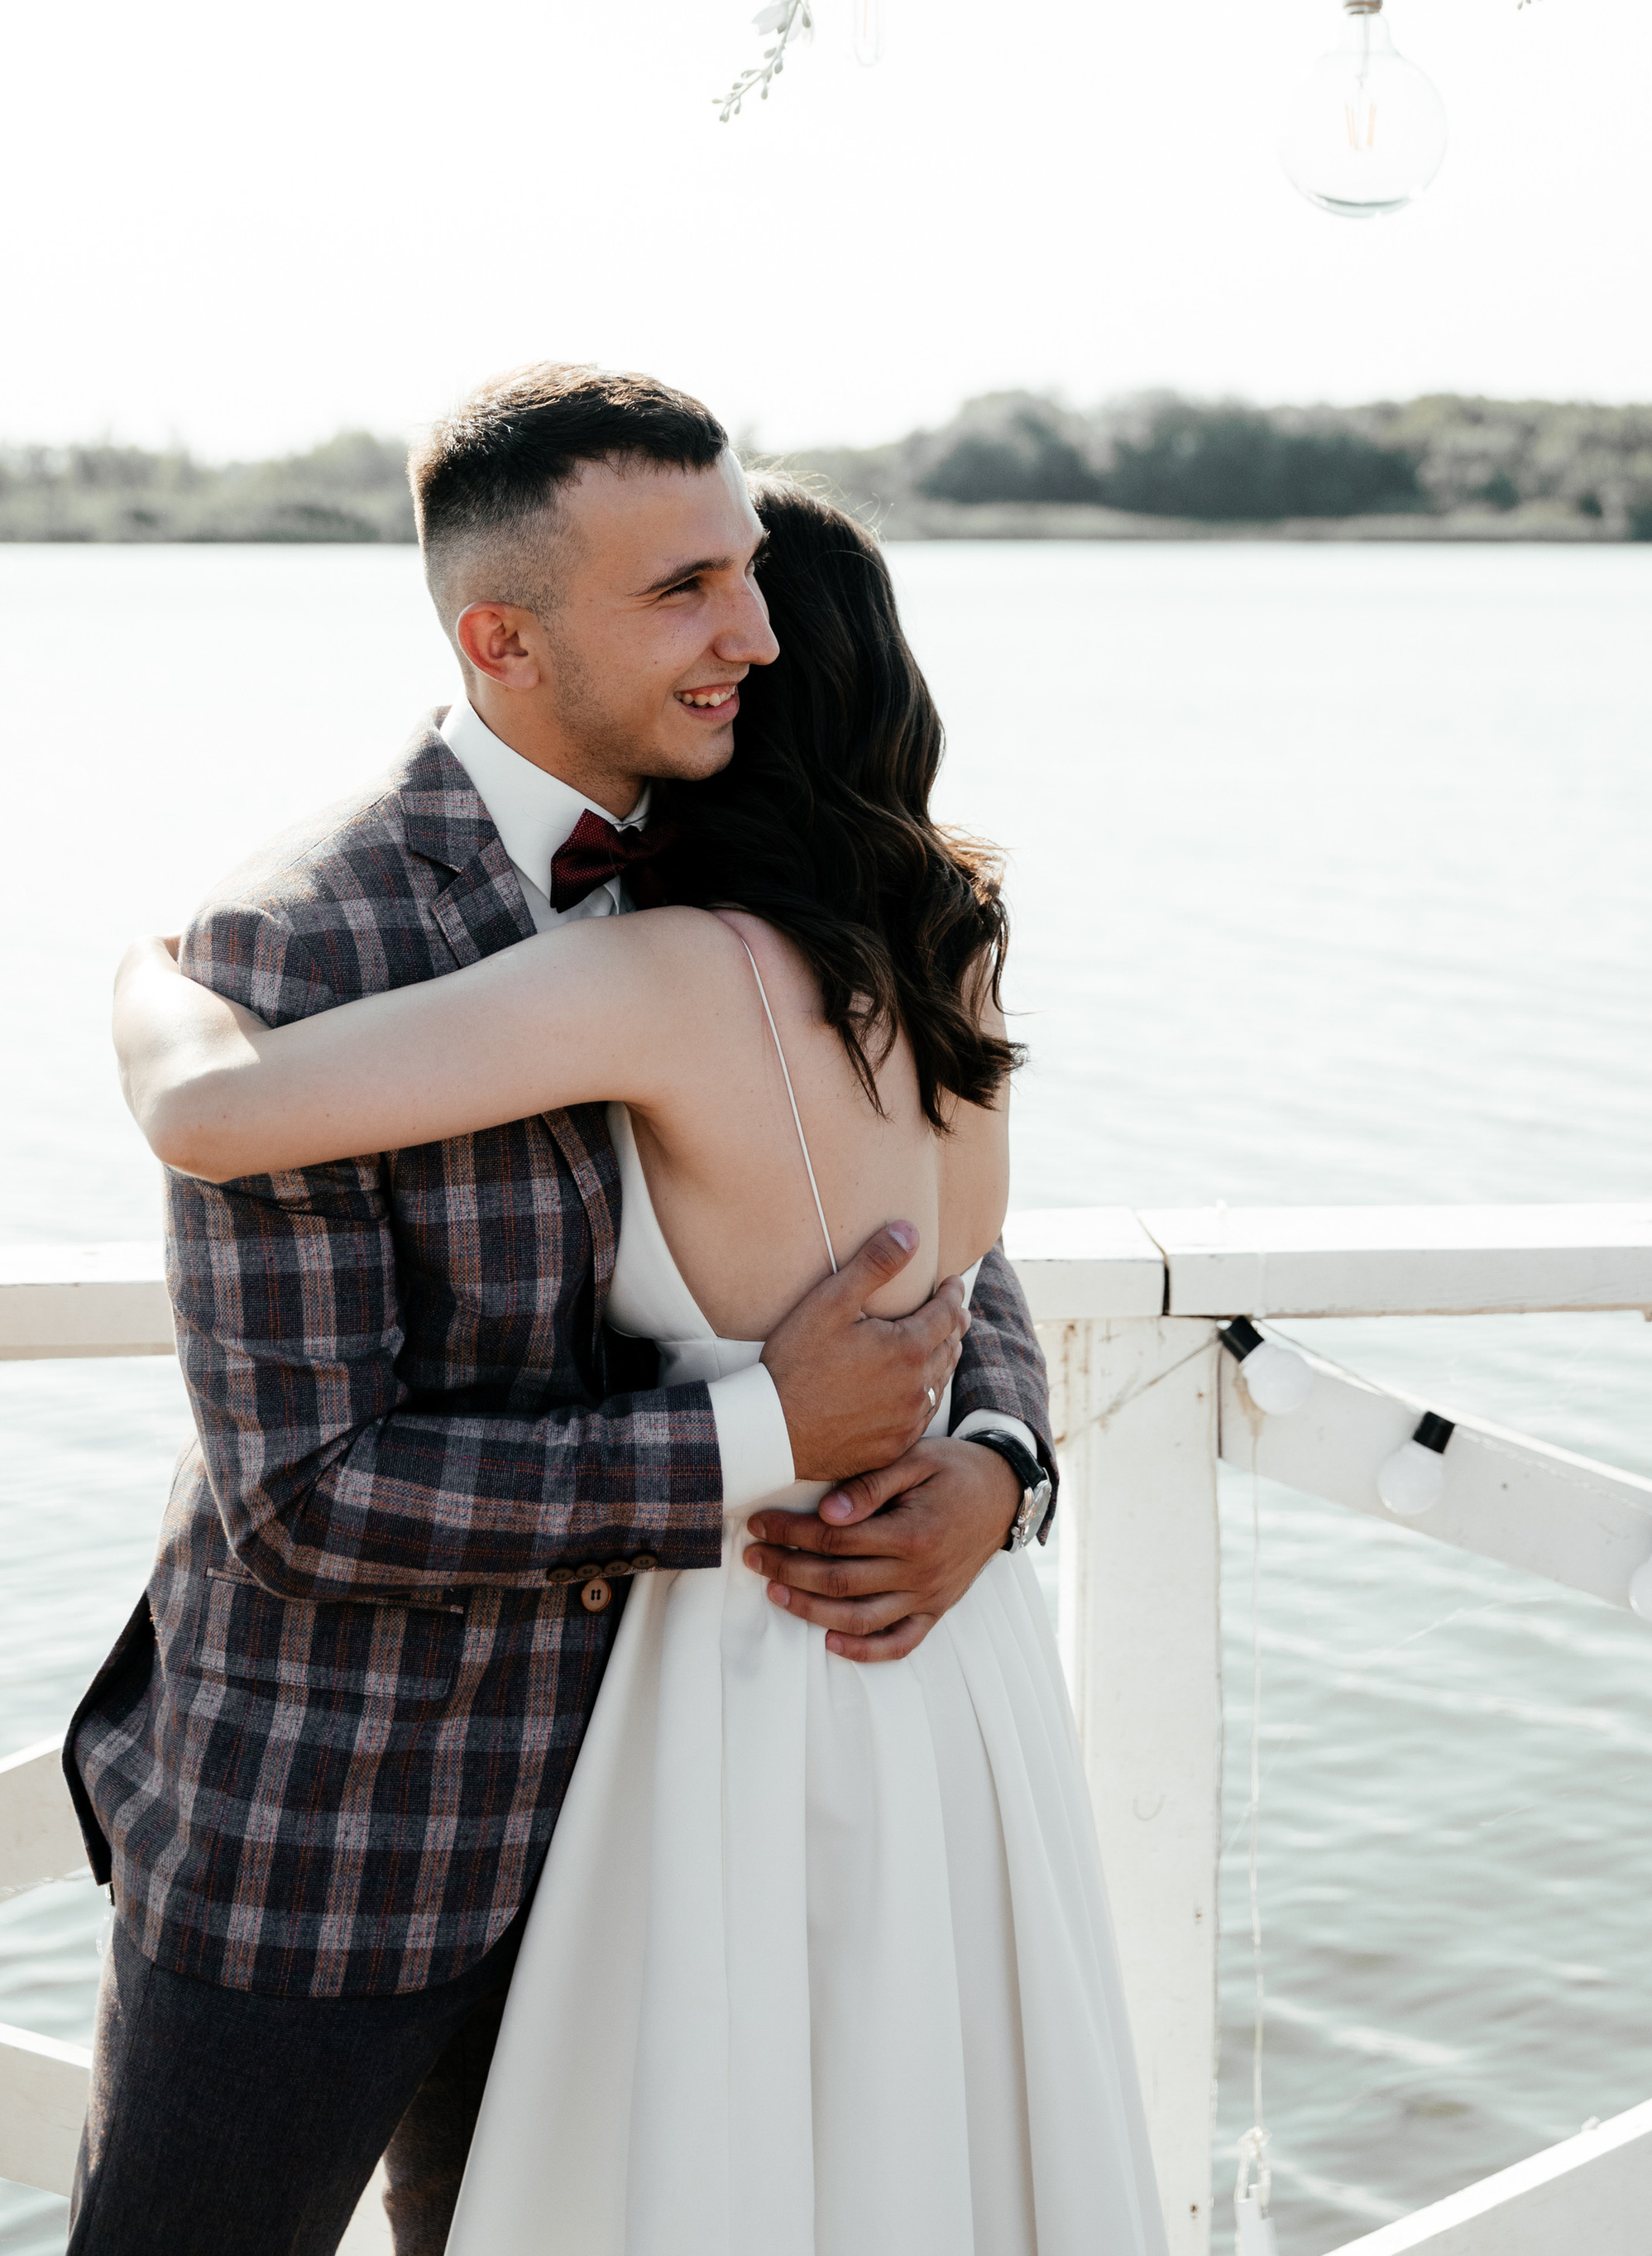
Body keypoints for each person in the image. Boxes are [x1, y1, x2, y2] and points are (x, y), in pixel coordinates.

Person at [69, 366, 1154, 2256]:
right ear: (503, 634)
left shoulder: (793, 898)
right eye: (682, 593)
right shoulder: (300, 943)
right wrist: (765, 1438)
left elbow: (929, 1243)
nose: (744, 630)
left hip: (691, 1817)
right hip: (348, 1822)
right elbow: (304, 1489)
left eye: (745, 576)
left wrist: (992, 1454)